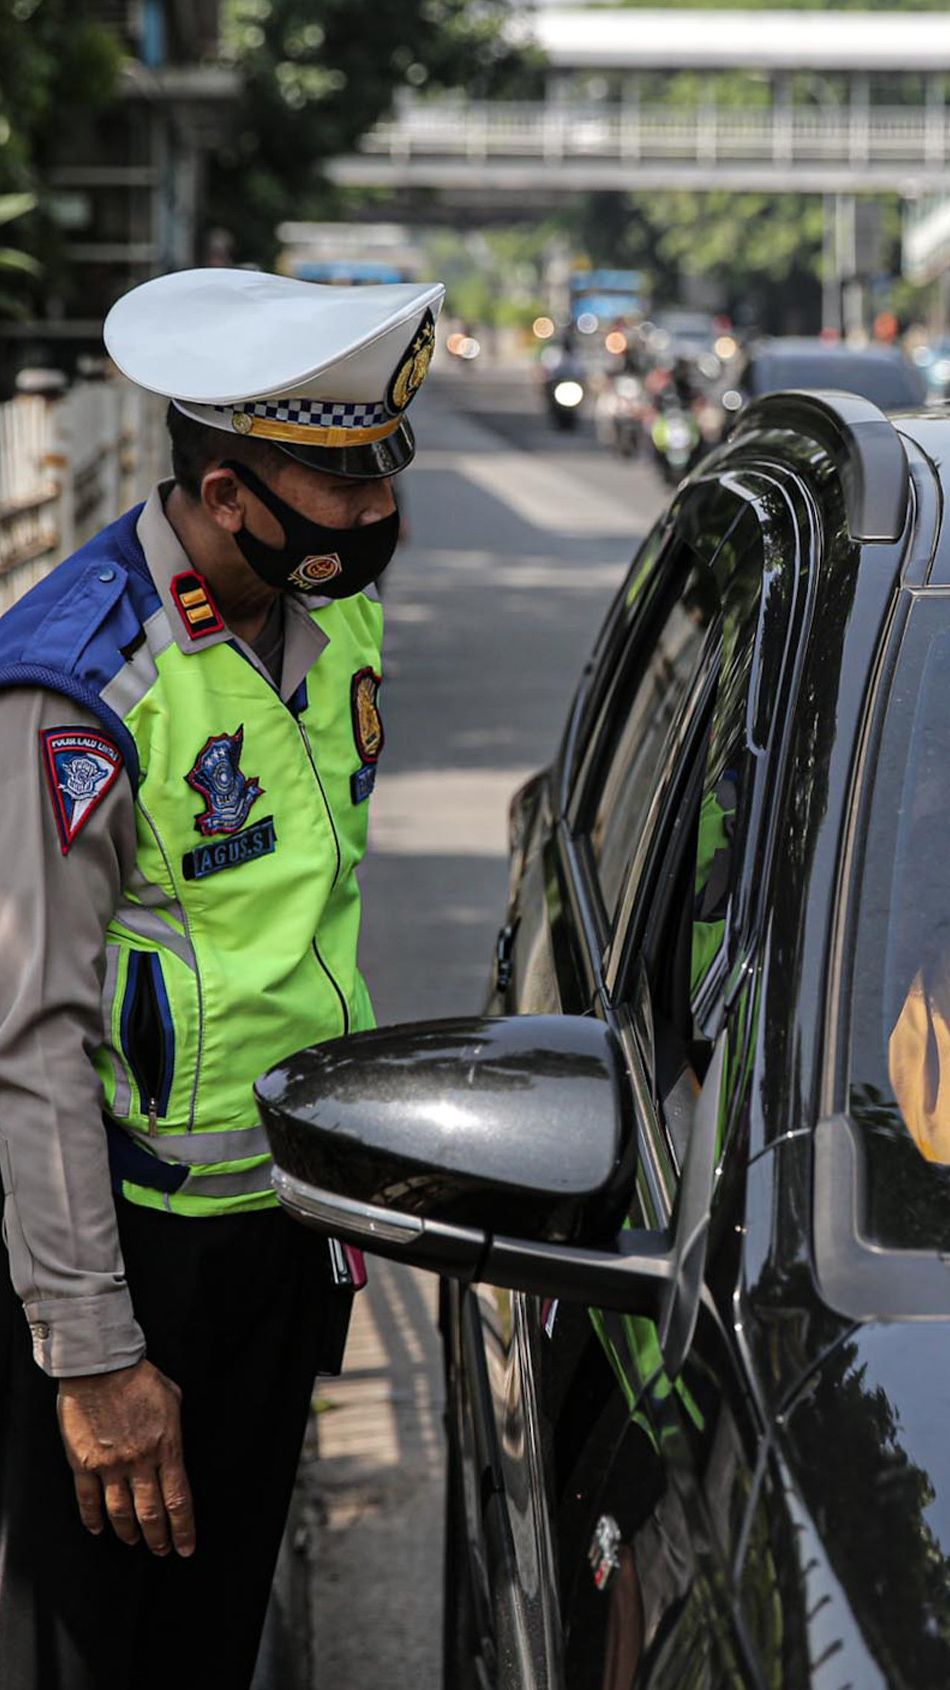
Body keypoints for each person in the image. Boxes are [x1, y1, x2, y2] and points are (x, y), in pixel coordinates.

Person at [0, 265, 444, 1689]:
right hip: (133, 1260)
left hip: (281, 1228)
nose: (378, 510)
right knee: (99, 1653)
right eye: (337, 480)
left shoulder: (330, 620)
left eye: (384, 463)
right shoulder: (80, 685)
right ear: (225, 489)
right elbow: (29, 1043)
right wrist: (91, 1357)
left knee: (218, 1626)